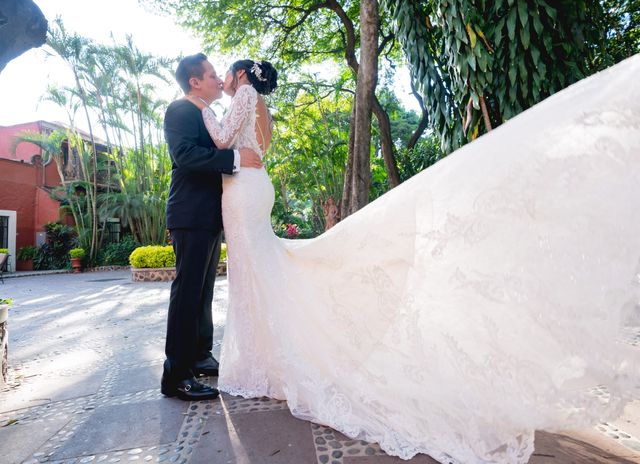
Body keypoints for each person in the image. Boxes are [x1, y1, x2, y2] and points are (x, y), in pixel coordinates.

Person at [188, 56, 640, 463]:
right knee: (261, 272)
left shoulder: (241, 96)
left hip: (243, 190)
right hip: (250, 187)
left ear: (243, 75)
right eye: (214, 75)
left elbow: (227, 139)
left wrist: (202, 109)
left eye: (225, 72)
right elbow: (256, 149)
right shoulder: (258, 102)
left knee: (255, 273)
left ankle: (258, 363)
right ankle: (264, 359)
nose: (221, 78)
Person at [161, 53, 262, 401]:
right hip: (189, 214)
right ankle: (176, 376)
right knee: (187, 293)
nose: (219, 79)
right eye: (212, 74)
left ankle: (201, 355)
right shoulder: (180, 110)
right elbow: (185, 156)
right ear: (194, 82)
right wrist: (235, 159)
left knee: (203, 293)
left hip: (209, 215)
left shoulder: (208, 113)